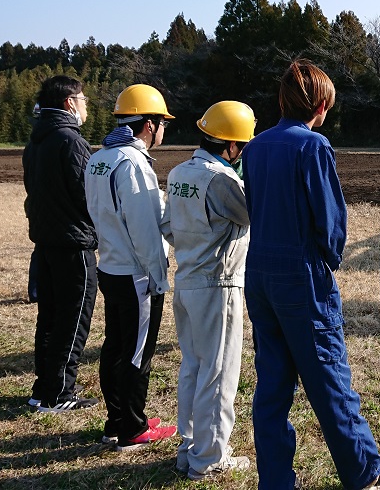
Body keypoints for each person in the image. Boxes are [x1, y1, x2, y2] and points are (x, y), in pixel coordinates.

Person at [241, 60, 380, 490]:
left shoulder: (255, 148)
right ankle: (365, 471)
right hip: (301, 276)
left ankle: (275, 481)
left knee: (272, 384)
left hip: (258, 274)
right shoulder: (313, 147)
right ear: (319, 103)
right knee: (329, 376)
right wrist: (328, 261)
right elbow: (331, 222)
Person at [160, 101, 255, 480]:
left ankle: (190, 447)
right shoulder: (222, 180)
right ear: (231, 146)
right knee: (219, 374)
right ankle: (209, 458)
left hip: (186, 280)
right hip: (218, 284)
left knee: (194, 368)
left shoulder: (181, 171)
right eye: (243, 146)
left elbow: (168, 226)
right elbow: (252, 213)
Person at [84, 84, 177, 450]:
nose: (163, 130)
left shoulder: (99, 157)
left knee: (115, 347)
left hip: (110, 265)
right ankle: (133, 429)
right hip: (137, 273)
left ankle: (117, 419)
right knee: (137, 353)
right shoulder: (134, 163)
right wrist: (158, 274)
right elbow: (144, 229)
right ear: (149, 124)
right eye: (162, 122)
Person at [22, 75, 99, 412]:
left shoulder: (36, 140)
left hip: (46, 241)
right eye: (83, 100)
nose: (86, 107)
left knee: (50, 317)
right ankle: (60, 392)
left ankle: (44, 386)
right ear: (70, 102)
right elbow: (86, 194)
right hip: (73, 243)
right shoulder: (71, 141)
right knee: (73, 317)